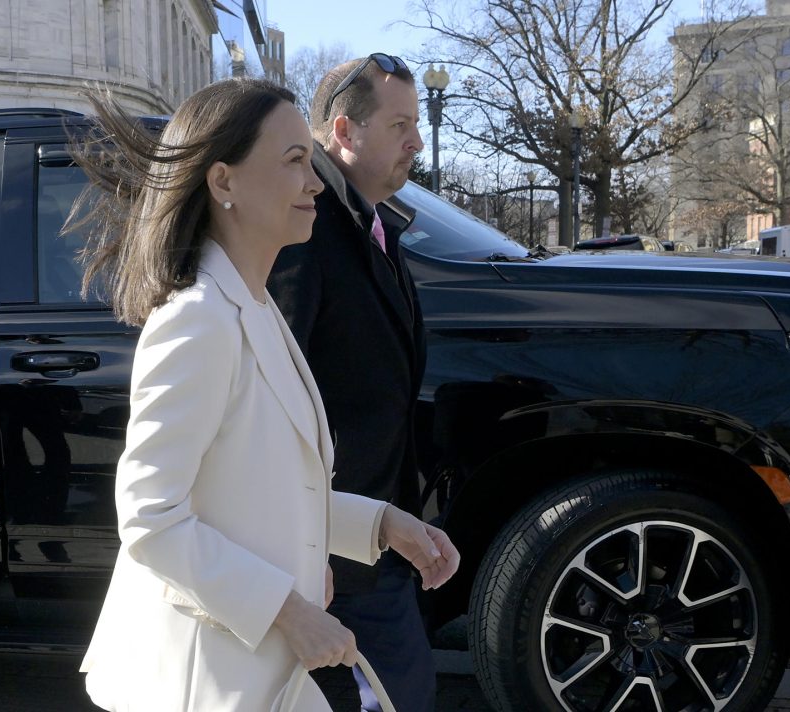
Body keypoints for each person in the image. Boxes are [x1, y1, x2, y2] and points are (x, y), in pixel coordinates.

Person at [71, 78, 459, 712]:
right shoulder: (197, 319)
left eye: (309, 160)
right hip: (205, 681)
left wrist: (380, 523)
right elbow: (151, 519)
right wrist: (291, 614)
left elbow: (257, 487)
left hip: (254, 674)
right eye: (293, 161)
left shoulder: (253, 306)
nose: (313, 183)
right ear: (223, 183)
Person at [266, 54, 437, 712]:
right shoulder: (303, 227)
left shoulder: (372, 223)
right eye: (399, 124)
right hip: (338, 554)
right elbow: (275, 396)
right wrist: (308, 549)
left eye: (416, 123)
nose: (416, 141)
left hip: (372, 536)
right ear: (343, 129)